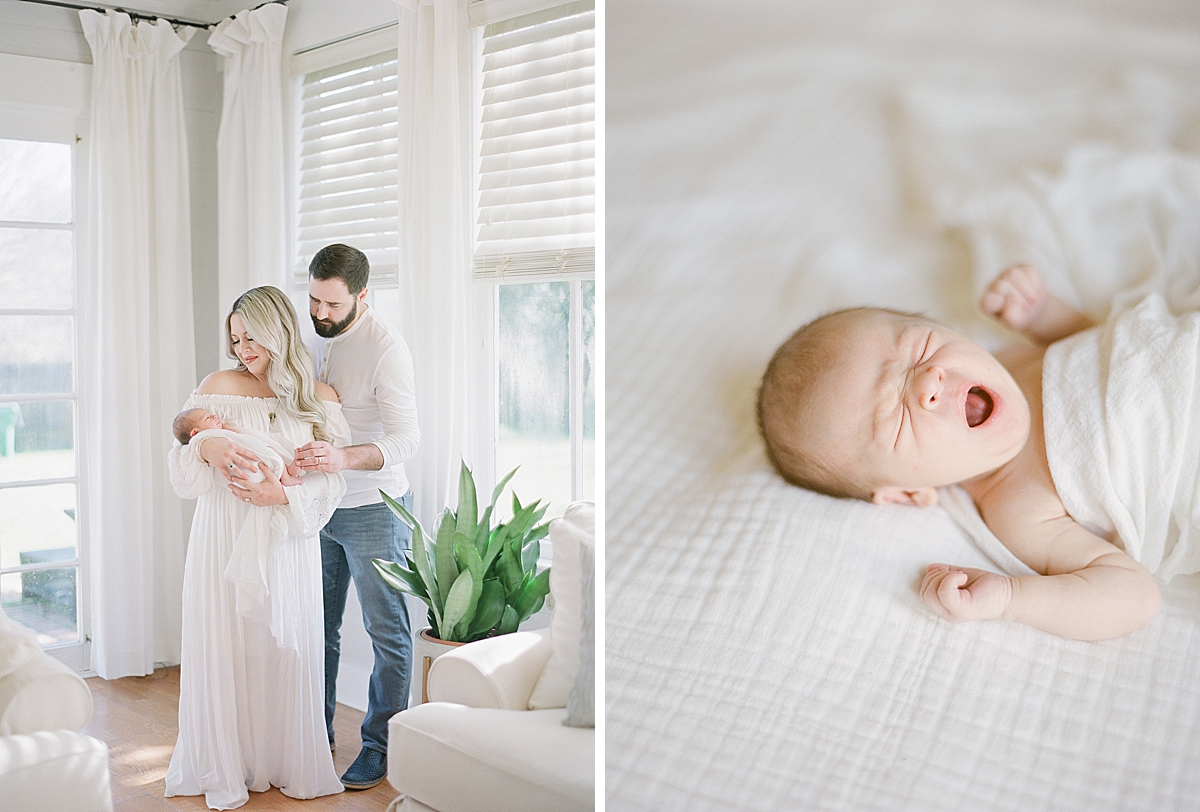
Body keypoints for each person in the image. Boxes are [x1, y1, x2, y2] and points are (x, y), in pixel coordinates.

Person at [756, 264, 1165, 642]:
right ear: (907, 493)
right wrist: (1010, 599)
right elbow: (1136, 595)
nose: (928, 380)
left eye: (920, 347)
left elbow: (1109, 352)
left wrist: (1045, 316)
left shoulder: (1015, 358)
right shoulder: (1019, 510)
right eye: (895, 419)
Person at [165, 286, 349, 809]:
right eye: (236, 339)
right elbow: (179, 456)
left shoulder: (321, 399)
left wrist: (282, 494)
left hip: (286, 538)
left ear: (279, 332)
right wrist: (208, 445)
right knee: (225, 642)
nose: (242, 350)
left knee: (284, 646)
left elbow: (331, 482)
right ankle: (227, 760)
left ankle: (284, 759)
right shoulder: (216, 386)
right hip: (222, 533)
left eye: (252, 338)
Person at [292, 243, 420, 790]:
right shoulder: (311, 336)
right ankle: (314, 738)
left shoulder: (386, 349)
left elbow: (408, 439)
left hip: (373, 508)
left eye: (332, 304)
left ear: (362, 296)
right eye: (314, 300)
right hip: (318, 506)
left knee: (386, 631)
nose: (319, 313)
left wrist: (344, 458)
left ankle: (380, 746)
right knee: (316, 627)